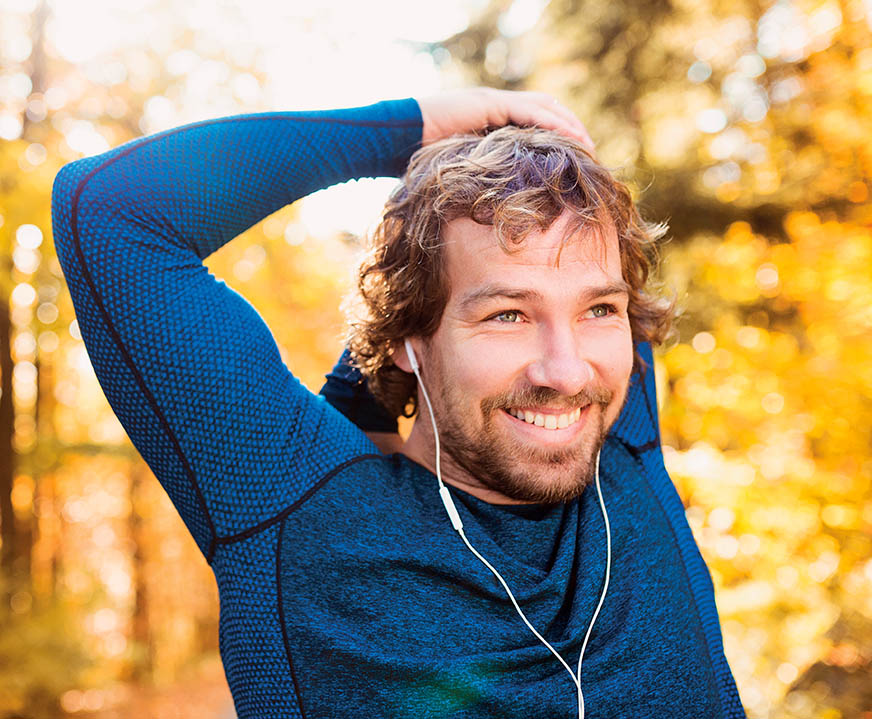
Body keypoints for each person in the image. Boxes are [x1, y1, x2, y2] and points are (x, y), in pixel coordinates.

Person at [50, 89, 746, 718]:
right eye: (507, 314)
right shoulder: (303, 509)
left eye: (598, 308)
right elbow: (111, 210)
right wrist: (407, 130)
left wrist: (381, 379)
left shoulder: (620, 441)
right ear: (411, 334)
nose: (566, 371)